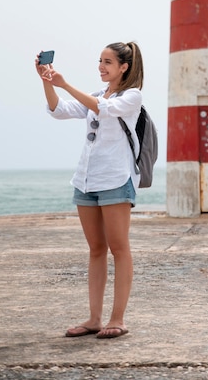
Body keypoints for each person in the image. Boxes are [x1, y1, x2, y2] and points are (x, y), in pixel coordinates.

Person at [35, 41, 144, 339]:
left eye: (108, 62)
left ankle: (117, 319)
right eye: (100, 60)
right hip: (86, 179)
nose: (101, 66)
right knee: (96, 249)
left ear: (124, 67)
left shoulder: (132, 96)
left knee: (119, 249)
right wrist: (47, 81)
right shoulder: (95, 95)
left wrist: (65, 83)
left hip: (115, 179)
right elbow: (58, 110)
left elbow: (103, 109)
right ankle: (94, 318)